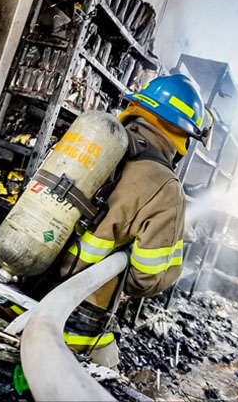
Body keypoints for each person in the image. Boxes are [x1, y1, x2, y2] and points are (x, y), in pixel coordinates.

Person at [53, 74, 206, 367]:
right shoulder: (166, 187)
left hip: (23, 278)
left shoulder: (93, 139)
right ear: (182, 133)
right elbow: (148, 279)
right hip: (73, 316)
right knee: (106, 372)